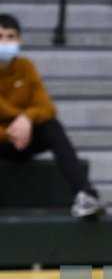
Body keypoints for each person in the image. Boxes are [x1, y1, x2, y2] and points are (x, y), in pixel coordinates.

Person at [0, 14, 104, 218]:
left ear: (19, 40)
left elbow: (47, 107)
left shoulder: (25, 67)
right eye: (0, 36)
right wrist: (10, 133)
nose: (4, 42)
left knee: (52, 126)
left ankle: (86, 196)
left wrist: (26, 119)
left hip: (25, 139)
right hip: (4, 139)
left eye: (10, 37)